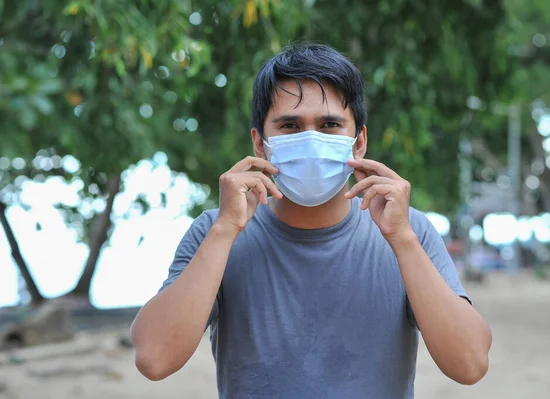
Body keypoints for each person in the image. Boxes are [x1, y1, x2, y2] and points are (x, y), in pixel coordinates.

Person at [131, 43, 492, 398]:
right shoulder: (216, 231)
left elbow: (470, 364)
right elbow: (155, 358)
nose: (311, 140)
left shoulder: (409, 231)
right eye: (289, 125)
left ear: (359, 142)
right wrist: (225, 231)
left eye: (330, 124)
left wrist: (403, 239)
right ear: (261, 144)